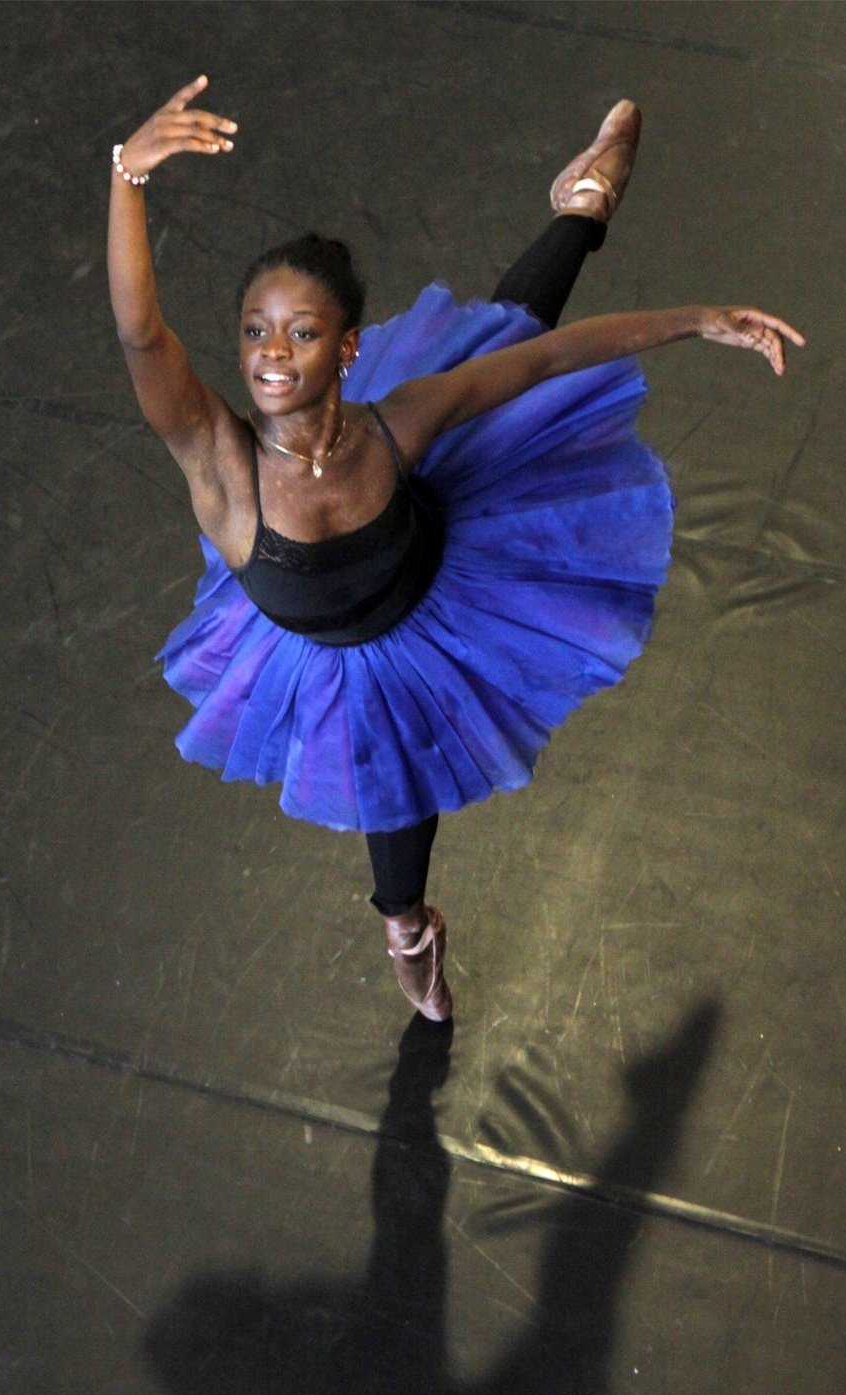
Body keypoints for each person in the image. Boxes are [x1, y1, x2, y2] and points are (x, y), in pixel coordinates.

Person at [107, 77, 804, 1024]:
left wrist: (699, 319)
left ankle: (583, 208)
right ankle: (407, 925)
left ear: (347, 349)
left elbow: (546, 362)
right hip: (338, 653)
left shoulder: (397, 424)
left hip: (444, 566)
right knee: (391, 796)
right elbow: (141, 333)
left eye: (302, 333)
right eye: (255, 332)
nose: (272, 353)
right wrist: (128, 176)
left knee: (509, 348)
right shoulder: (220, 465)